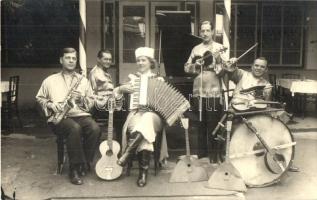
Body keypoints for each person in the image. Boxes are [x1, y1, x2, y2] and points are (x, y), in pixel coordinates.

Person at [36, 47, 101, 185]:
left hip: (80, 114)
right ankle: (74, 169)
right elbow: (40, 99)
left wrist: (81, 100)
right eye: (68, 58)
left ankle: (83, 162)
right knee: (74, 128)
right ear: (61, 60)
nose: (71, 61)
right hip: (59, 118)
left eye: (74, 58)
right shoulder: (50, 80)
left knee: (95, 129)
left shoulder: (83, 80)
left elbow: (91, 102)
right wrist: (51, 105)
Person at [224, 56, 299, 172]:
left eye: (262, 66)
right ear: (252, 66)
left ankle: (284, 160)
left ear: (266, 70)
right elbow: (230, 69)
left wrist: (271, 117)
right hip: (237, 111)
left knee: (278, 123)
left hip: (254, 112)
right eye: (256, 65)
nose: (258, 68)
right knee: (238, 133)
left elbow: (265, 104)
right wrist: (232, 63)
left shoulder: (267, 85)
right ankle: (235, 162)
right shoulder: (242, 74)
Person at [116, 47, 168, 187]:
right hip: (136, 113)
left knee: (147, 119)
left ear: (150, 62)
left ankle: (128, 152)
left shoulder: (159, 79)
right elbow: (115, 96)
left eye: (143, 60)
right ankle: (142, 173)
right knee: (144, 127)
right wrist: (120, 89)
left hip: (155, 116)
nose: (140, 63)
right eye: (138, 60)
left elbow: (165, 104)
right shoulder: (132, 79)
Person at [184, 21, 227, 163]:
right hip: (198, 91)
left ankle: (213, 156)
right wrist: (195, 65)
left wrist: (218, 59)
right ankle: (202, 155)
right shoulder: (196, 49)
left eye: (208, 30)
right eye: (202, 31)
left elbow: (223, 72)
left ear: (213, 32)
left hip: (213, 91)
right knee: (200, 123)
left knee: (213, 123)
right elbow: (186, 68)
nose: (205, 33)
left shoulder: (219, 48)